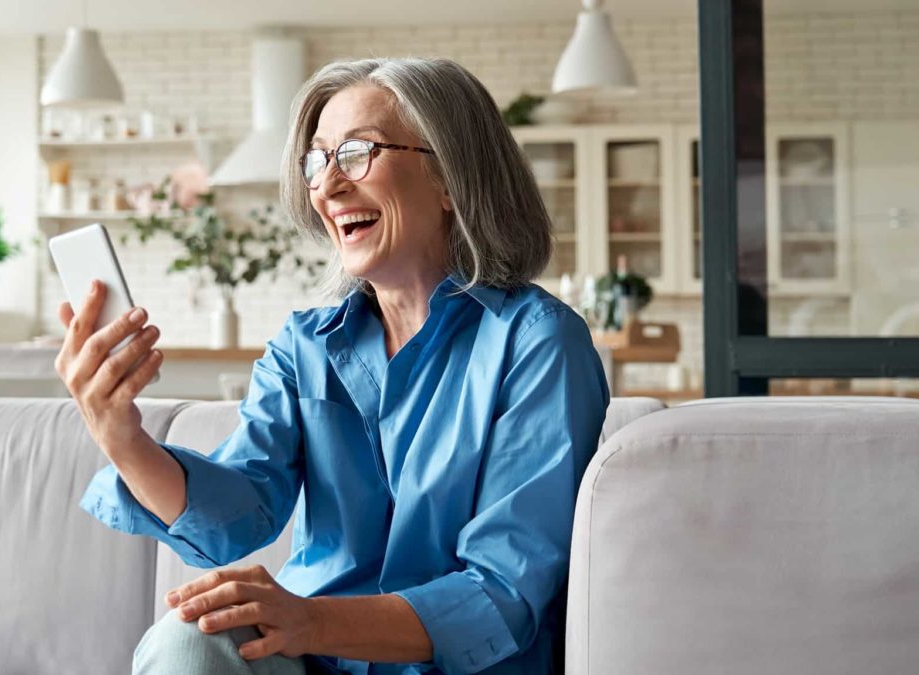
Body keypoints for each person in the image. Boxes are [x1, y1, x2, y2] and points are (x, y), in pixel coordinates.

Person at [55, 57, 610, 675]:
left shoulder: (537, 343)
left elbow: (502, 594)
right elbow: (234, 519)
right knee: (186, 641)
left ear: (451, 175)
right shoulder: (304, 347)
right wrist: (121, 436)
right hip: (313, 659)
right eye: (317, 161)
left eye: (355, 154)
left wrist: (310, 619)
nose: (326, 186)